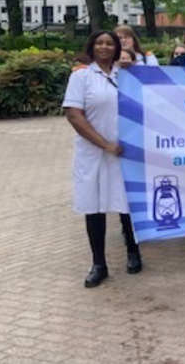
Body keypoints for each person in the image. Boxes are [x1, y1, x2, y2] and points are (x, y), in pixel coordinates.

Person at [63, 31, 141, 288]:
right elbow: (74, 115)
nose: (105, 47)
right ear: (92, 47)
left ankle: (133, 251)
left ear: (118, 47)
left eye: (110, 43)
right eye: (100, 43)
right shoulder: (81, 76)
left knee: (127, 204)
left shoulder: (126, 74)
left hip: (125, 152)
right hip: (95, 152)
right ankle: (99, 263)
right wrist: (104, 144)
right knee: (94, 206)